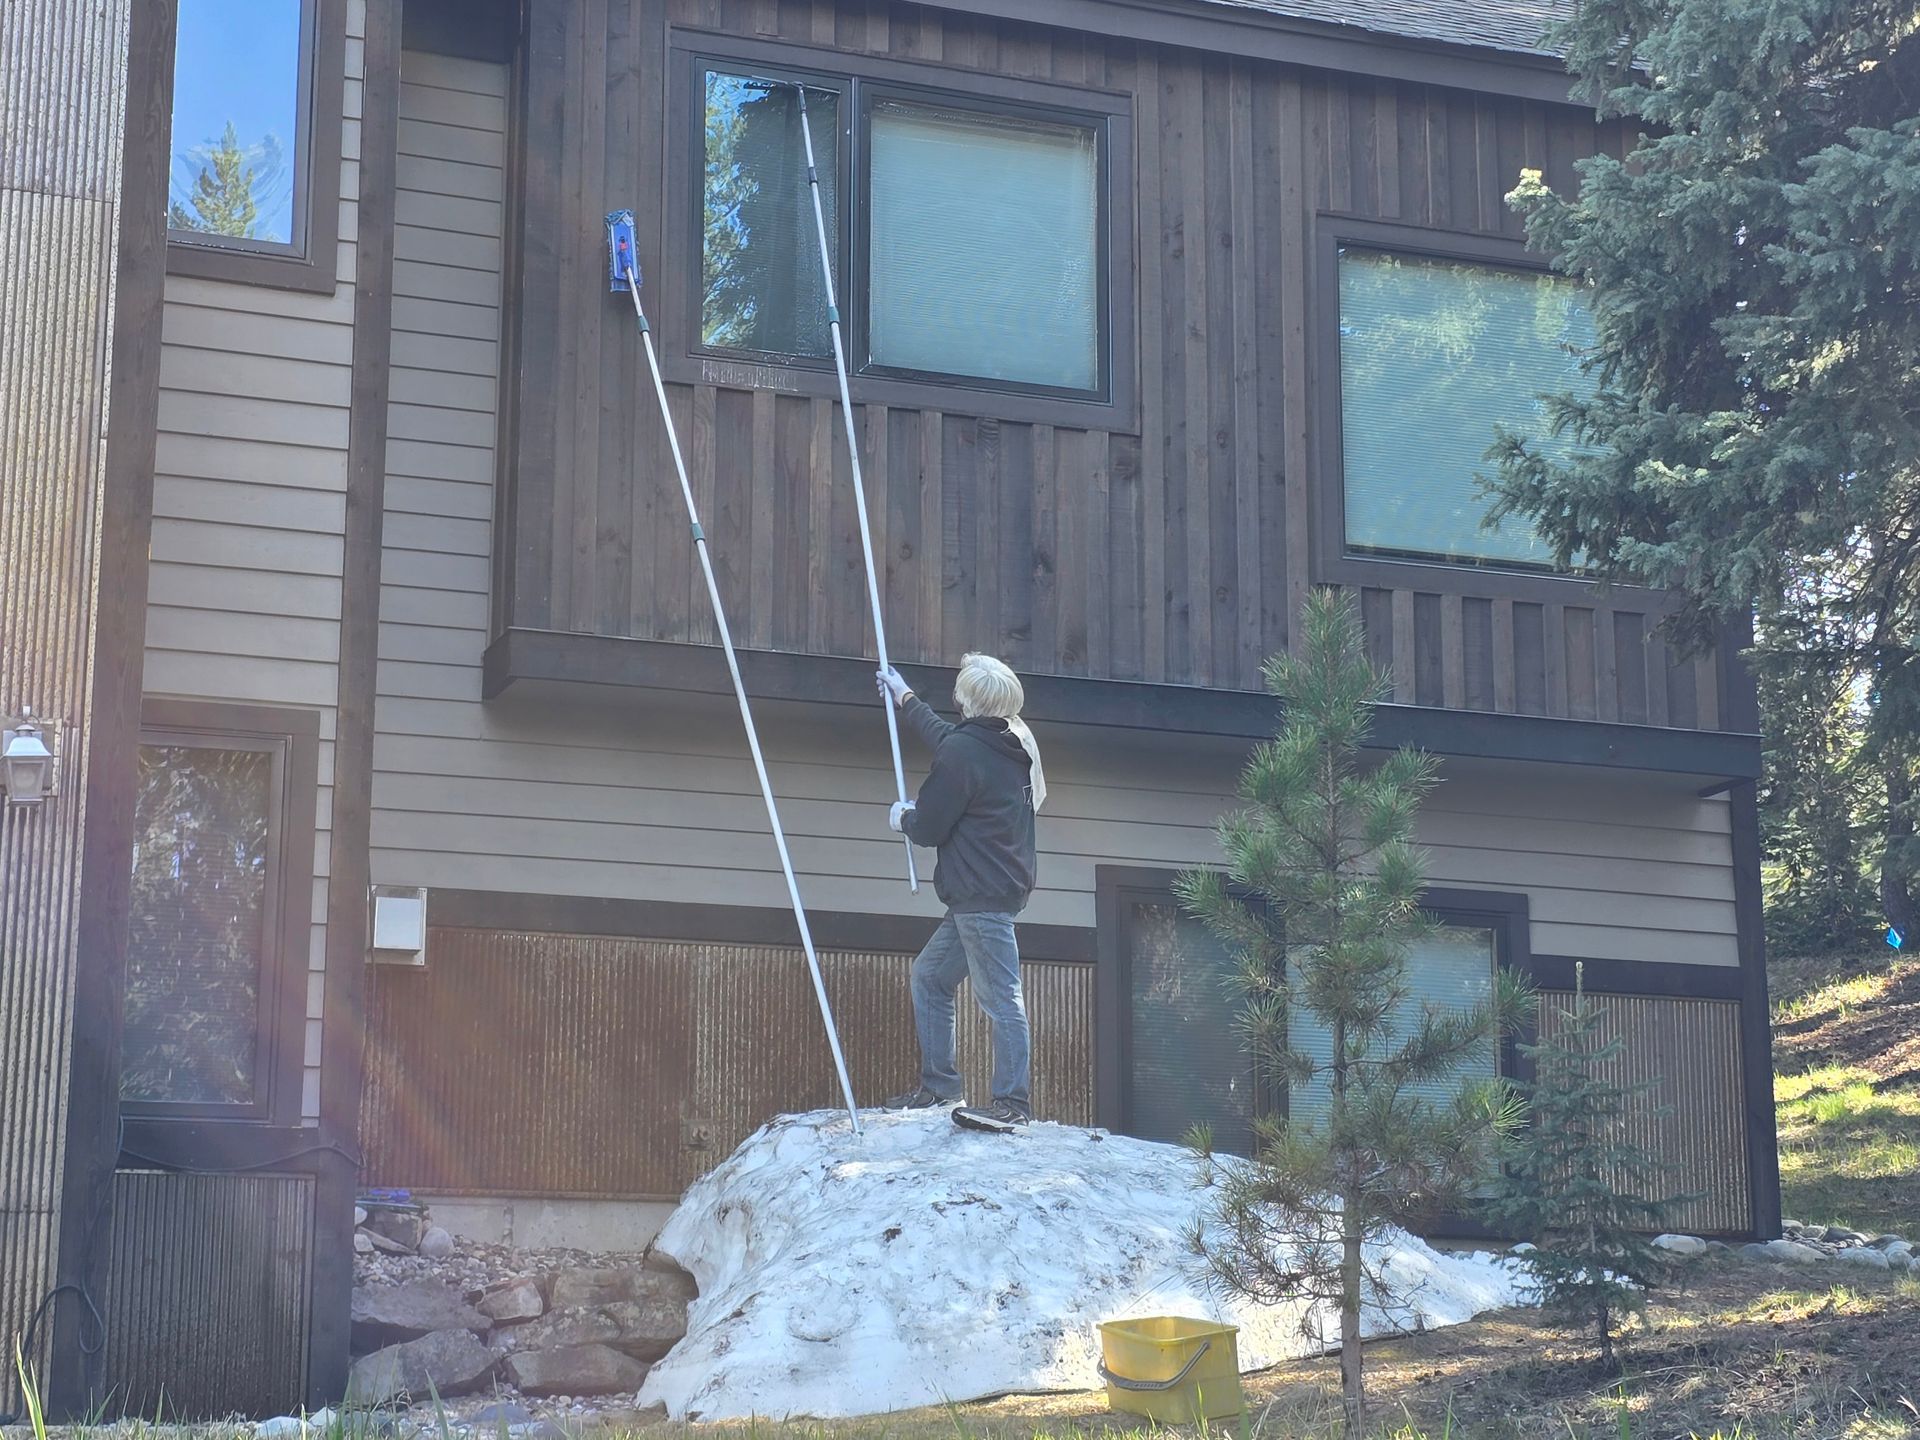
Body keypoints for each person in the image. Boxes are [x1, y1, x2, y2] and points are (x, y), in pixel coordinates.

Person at [875, 654, 1048, 1132]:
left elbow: (929, 825)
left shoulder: (965, 753)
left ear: (968, 699)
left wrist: (902, 819)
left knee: (1002, 1000)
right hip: (991, 889)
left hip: (981, 895)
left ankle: (1013, 1104)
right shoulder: (1011, 744)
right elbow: (948, 740)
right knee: (930, 977)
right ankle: (940, 1087)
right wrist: (905, 696)